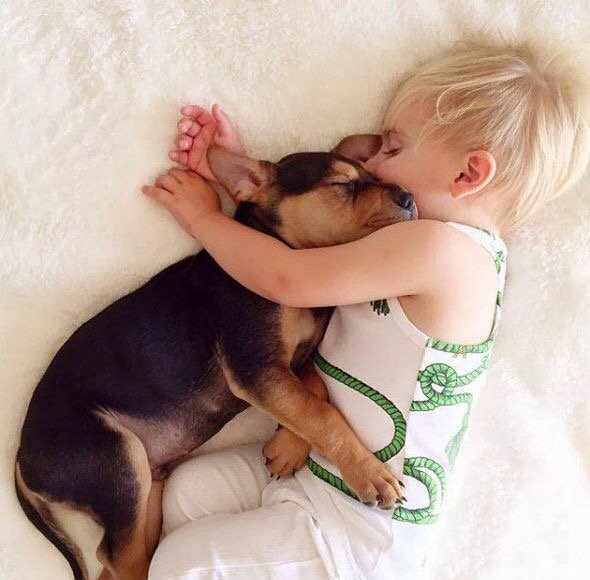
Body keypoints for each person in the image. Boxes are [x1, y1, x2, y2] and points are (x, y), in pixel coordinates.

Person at [142, 38, 590, 580]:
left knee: (185, 564)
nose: (370, 163)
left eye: (392, 149)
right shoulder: (412, 249)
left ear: (469, 174)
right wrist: (261, 186)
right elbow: (307, 231)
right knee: (190, 493)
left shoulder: (443, 251)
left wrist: (204, 219)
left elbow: (287, 278)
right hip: (318, 472)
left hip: (361, 527)